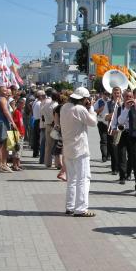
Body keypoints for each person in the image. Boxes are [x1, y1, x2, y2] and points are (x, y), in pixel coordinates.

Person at [60, 87, 97, 217]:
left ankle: (70, 206)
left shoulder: (64, 107)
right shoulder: (80, 109)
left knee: (72, 179)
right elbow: (93, 122)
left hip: (68, 147)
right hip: (80, 149)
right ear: (84, 99)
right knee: (84, 178)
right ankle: (81, 208)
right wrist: (91, 108)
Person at [0, 86, 18, 173]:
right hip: (2, 123)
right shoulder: (2, 99)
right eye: (4, 91)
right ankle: (1, 165)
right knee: (2, 145)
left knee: (3, 145)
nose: (6, 92)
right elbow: (5, 111)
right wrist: (13, 122)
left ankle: (3, 165)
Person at [42, 90, 59, 168]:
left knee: (48, 145)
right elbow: (55, 116)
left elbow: (42, 113)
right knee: (56, 145)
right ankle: (56, 162)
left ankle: (47, 162)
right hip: (54, 126)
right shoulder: (56, 105)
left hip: (47, 125)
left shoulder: (46, 104)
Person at [94, 90, 110, 162]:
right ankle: (104, 156)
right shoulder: (99, 101)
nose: (107, 95)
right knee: (104, 140)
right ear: (103, 94)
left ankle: (109, 155)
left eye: (108, 94)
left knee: (110, 140)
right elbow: (94, 112)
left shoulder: (110, 101)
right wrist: (101, 108)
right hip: (101, 123)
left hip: (109, 123)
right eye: (105, 94)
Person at [11, 97, 26, 171]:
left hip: (21, 133)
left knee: (19, 150)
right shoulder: (16, 112)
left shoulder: (20, 112)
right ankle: (14, 165)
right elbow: (14, 124)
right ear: (19, 104)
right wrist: (18, 133)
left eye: (24, 104)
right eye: (22, 104)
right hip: (17, 133)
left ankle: (18, 164)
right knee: (16, 150)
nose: (23, 106)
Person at [31, 90, 45, 158]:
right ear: (40, 96)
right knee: (39, 138)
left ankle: (35, 152)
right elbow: (42, 113)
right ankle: (37, 152)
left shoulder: (35, 102)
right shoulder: (39, 103)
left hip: (35, 120)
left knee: (36, 137)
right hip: (39, 120)